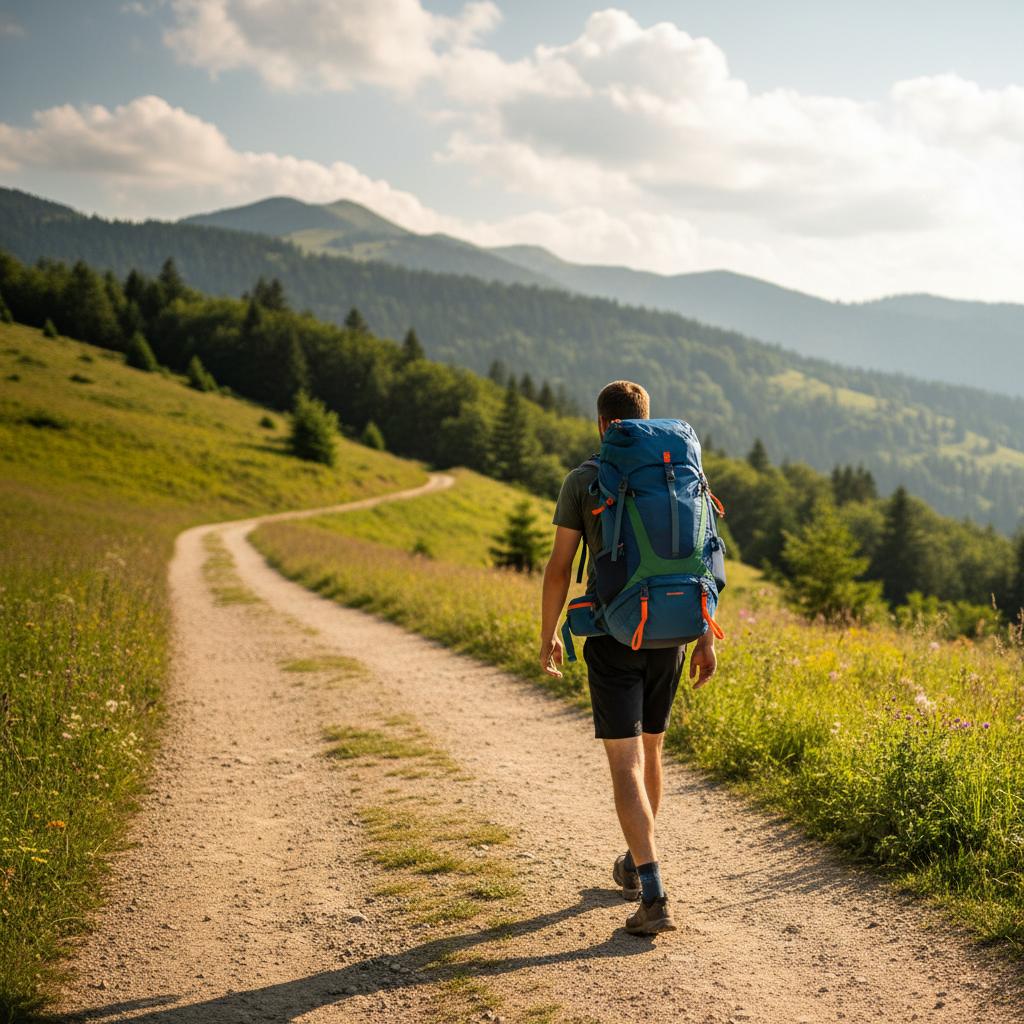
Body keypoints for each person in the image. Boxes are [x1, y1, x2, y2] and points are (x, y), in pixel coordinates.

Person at [538, 379, 718, 935]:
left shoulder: (584, 479)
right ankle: (637, 868)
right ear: (645, 419)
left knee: (625, 764)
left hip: (614, 635)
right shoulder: (678, 472)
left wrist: (549, 633)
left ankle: (654, 892)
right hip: (674, 632)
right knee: (652, 751)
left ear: (602, 424)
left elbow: (559, 567)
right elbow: (705, 554)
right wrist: (706, 637)